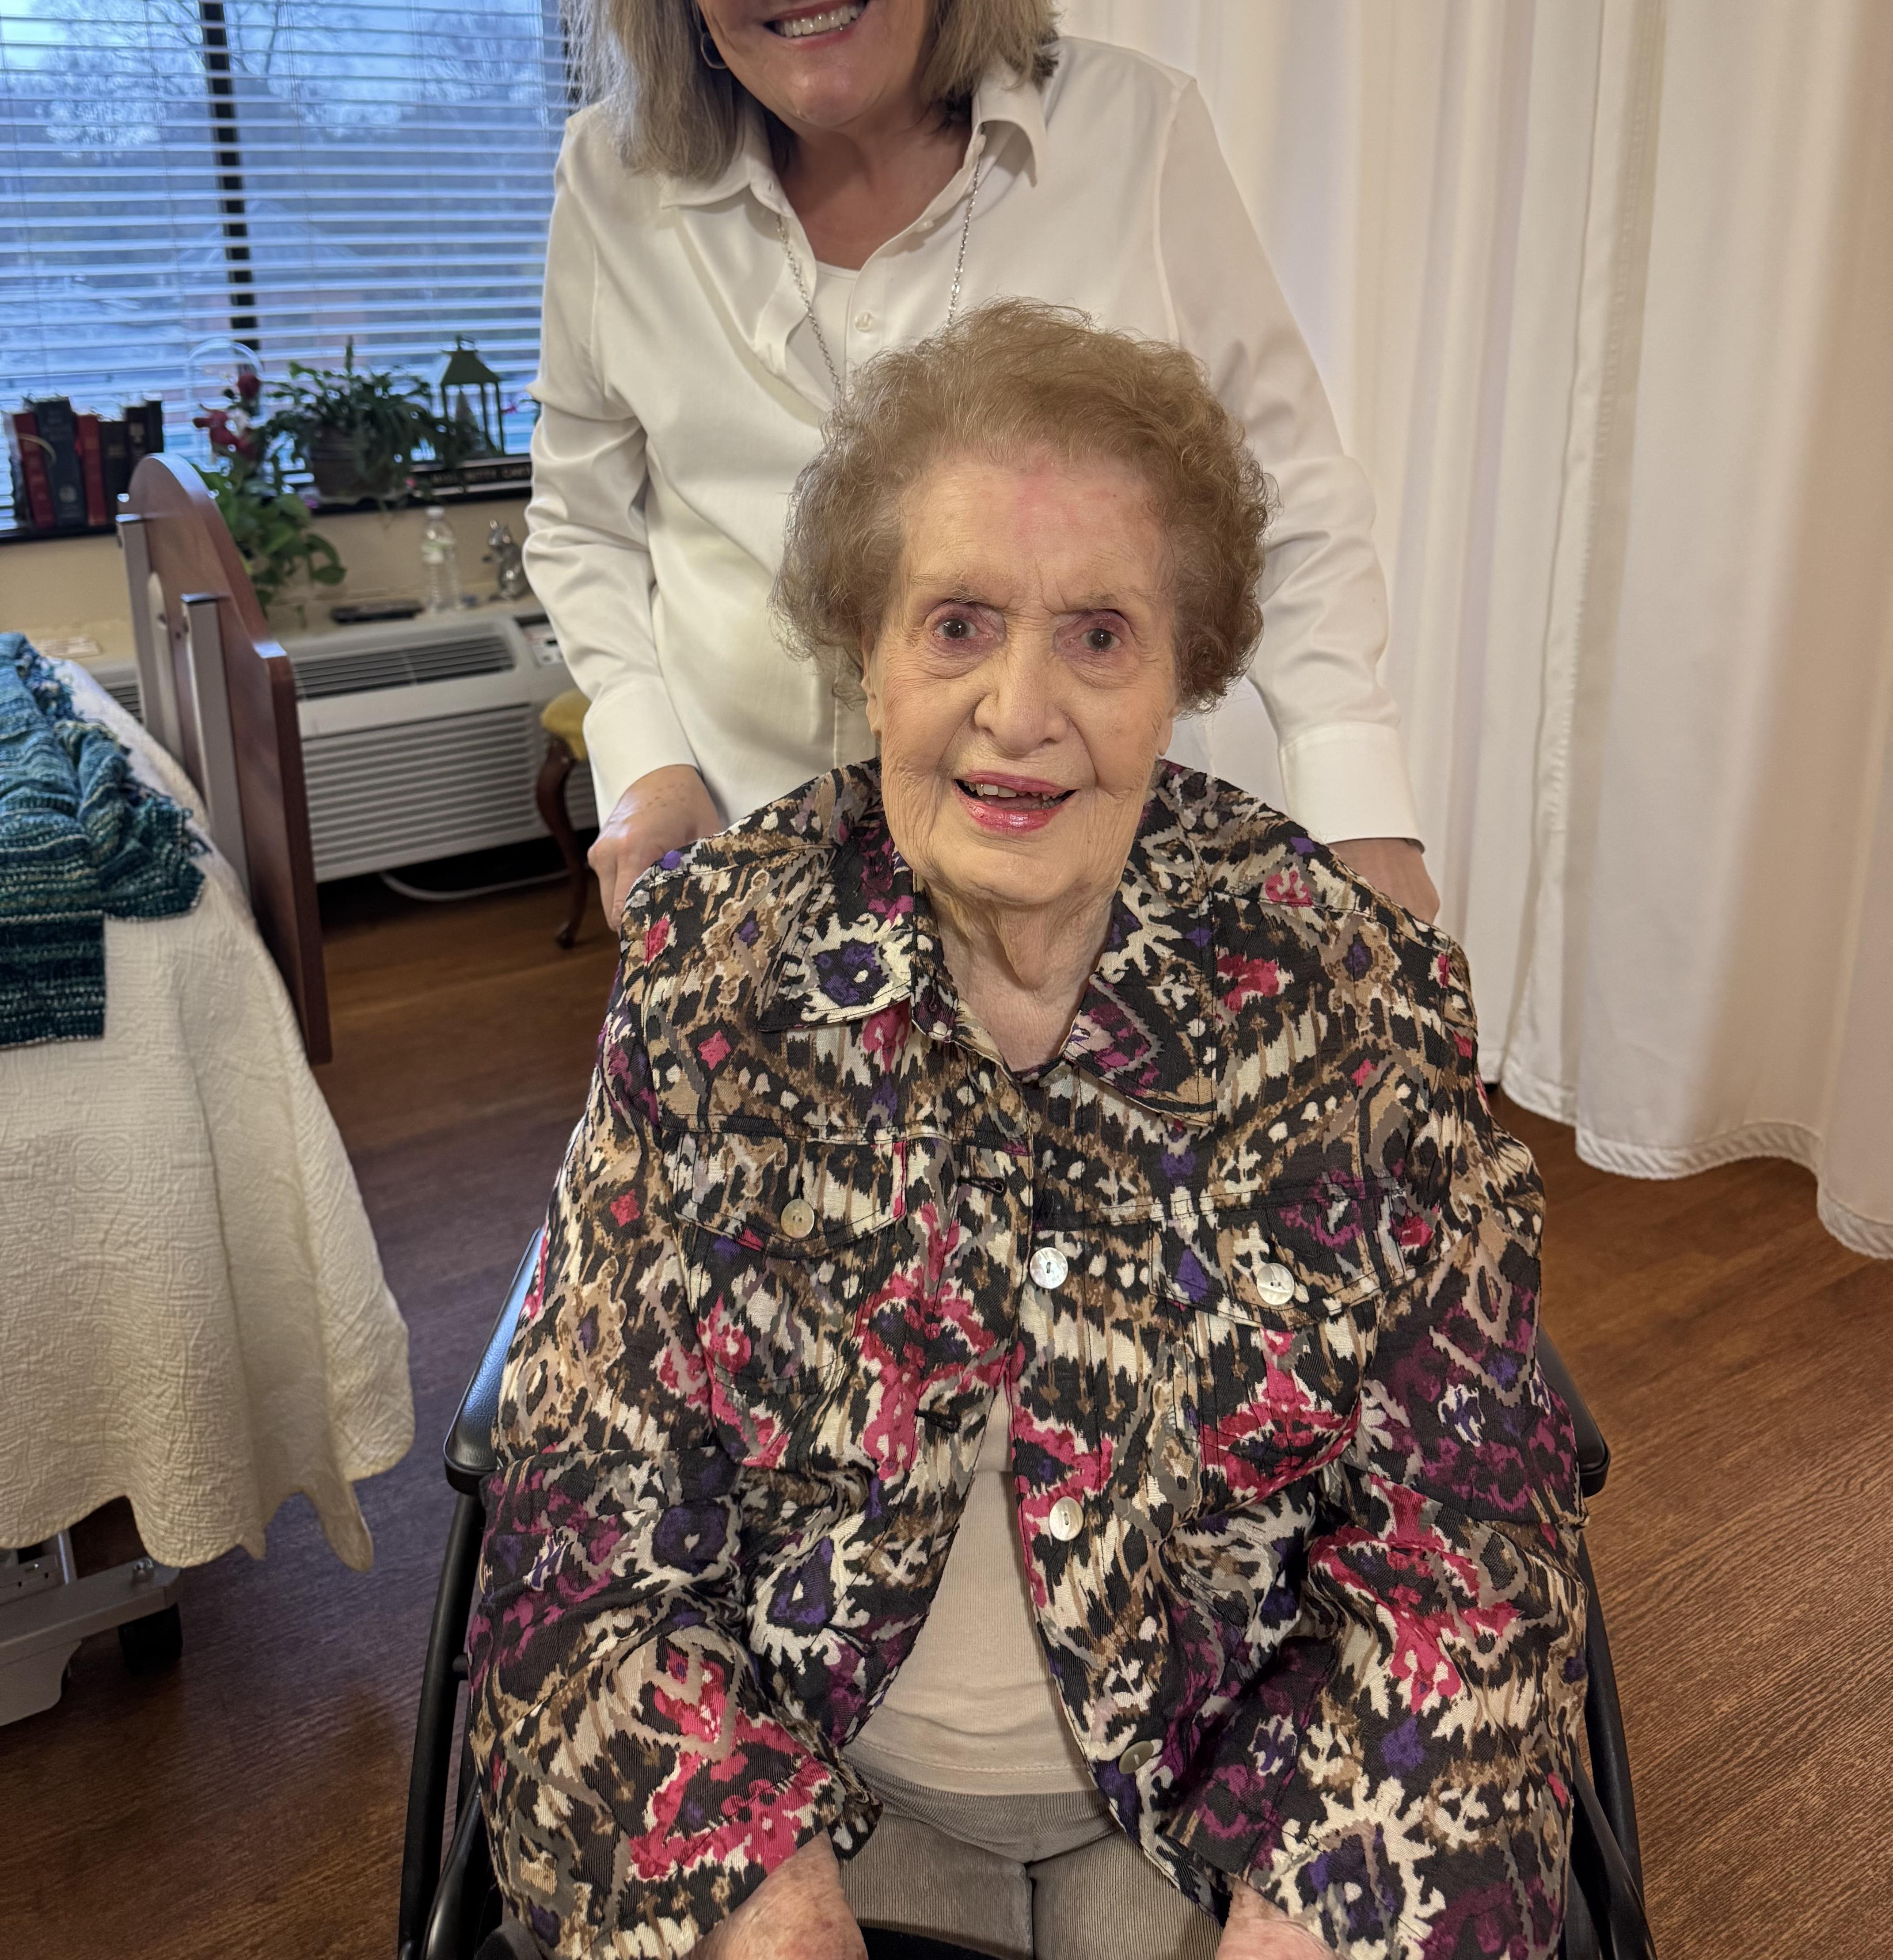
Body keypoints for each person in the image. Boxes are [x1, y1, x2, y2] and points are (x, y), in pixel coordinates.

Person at [470, 303, 1585, 1960]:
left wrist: (1308, 1910)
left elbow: (1470, 1537)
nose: (1017, 709)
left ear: (1188, 670)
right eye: (958, 623)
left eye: (1099, 636)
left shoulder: (1349, 986)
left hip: (1229, 1823)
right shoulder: (714, 978)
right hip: (823, 1814)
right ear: (867, 647)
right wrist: (775, 1918)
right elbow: (583, 1525)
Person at [522, 0, 1441, 936]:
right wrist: (644, 766)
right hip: (760, 869)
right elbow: (583, 523)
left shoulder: (1133, 134)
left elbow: (1287, 487)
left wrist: (1358, 806)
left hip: (1090, 865)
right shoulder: (610, 185)